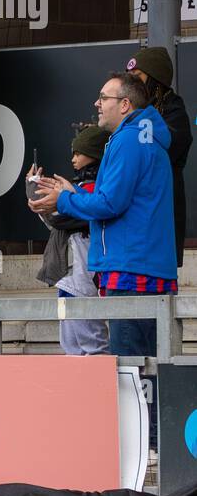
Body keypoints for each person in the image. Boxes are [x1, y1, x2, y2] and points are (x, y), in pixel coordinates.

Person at [30, 72, 177, 358]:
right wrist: (72, 195)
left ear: (124, 105)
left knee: (132, 374)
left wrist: (65, 200)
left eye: (103, 98)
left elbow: (110, 204)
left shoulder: (128, 140)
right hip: (143, 268)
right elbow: (117, 200)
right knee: (151, 372)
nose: (96, 103)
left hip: (130, 272)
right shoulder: (143, 137)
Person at [31, 125, 110, 355]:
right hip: (67, 277)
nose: (73, 158)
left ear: (95, 154)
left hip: (85, 276)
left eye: (78, 153)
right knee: (71, 346)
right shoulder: (77, 188)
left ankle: (100, 388)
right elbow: (56, 223)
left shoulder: (98, 189)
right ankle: (79, 389)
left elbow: (64, 220)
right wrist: (36, 196)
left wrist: (55, 202)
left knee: (92, 343)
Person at [126, 46, 191, 268]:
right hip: (135, 205)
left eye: (137, 77)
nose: (131, 83)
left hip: (162, 205)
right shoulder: (128, 109)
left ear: (155, 79)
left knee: (159, 272)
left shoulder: (173, 109)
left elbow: (169, 146)